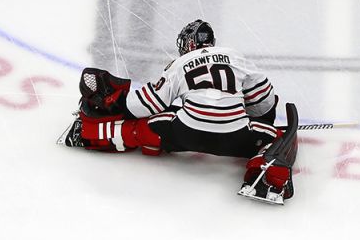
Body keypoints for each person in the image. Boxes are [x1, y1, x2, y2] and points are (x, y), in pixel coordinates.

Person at [58, 19, 299, 204]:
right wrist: (248, 116)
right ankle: (266, 174)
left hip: (188, 131)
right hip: (235, 135)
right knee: (275, 138)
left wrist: (117, 101)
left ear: (190, 43)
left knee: (146, 127)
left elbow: (148, 104)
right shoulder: (234, 57)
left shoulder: (179, 64)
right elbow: (264, 100)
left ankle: (88, 133)